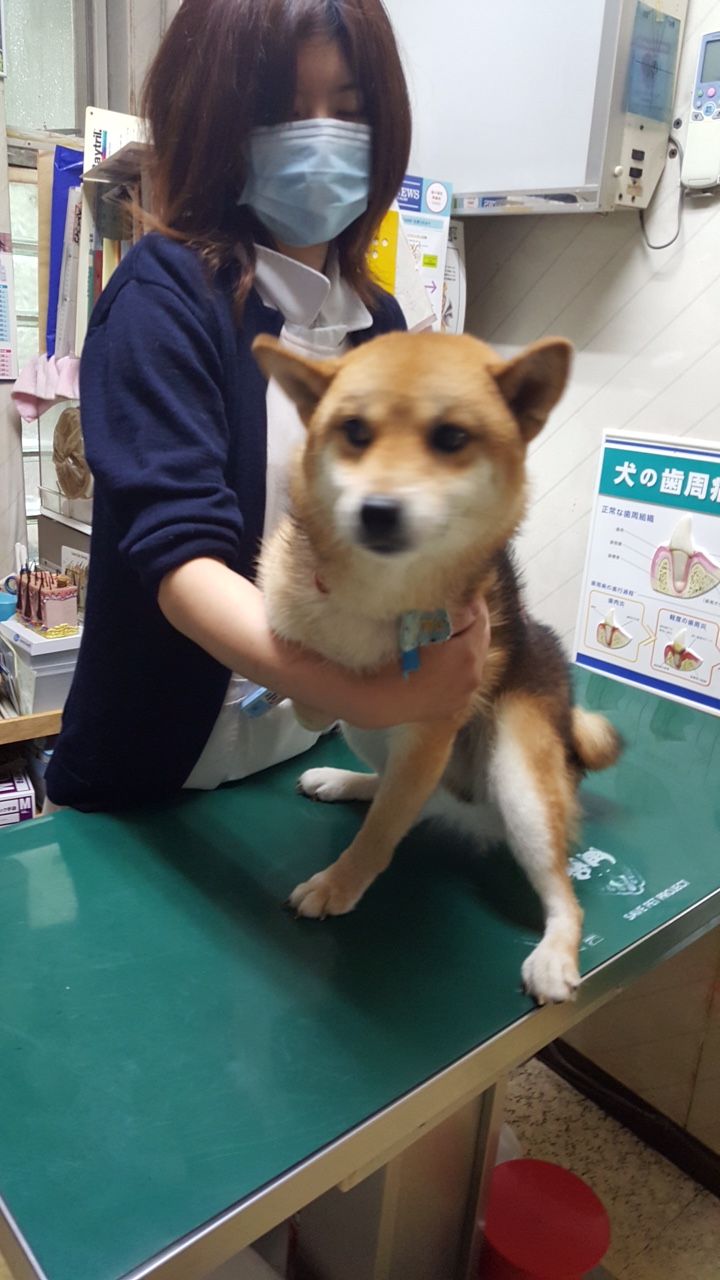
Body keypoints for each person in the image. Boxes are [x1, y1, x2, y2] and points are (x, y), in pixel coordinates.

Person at [45, 0, 490, 811]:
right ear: (214, 121)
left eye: (348, 111)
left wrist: (440, 634)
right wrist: (372, 697)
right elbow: (184, 566)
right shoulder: (160, 299)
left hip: (311, 755)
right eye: (282, 112)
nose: (320, 139)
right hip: (157, 785)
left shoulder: (378, 322)